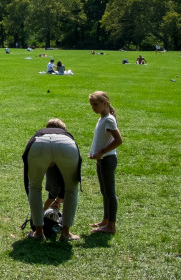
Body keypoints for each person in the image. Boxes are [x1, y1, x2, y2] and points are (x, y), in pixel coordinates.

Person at [23, 118, 81, 241]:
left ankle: (38, 232)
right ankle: (65, 233)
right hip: (66, 145)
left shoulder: (42, 132)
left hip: (38, 144)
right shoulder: (65, 135)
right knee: (72, 189)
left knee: (34, 187)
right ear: (63, 129)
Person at [89, 91, 123, 234]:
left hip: (107, 160)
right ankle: (105, 220)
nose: (93, 108)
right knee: (104, 191)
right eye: (91, 105)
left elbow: (118, 140)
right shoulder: (102, 119)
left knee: (109, 192)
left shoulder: (108, 120)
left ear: (105, 102)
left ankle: (111, 225)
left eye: (95, 105)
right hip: (101, 159)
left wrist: (101, 152)